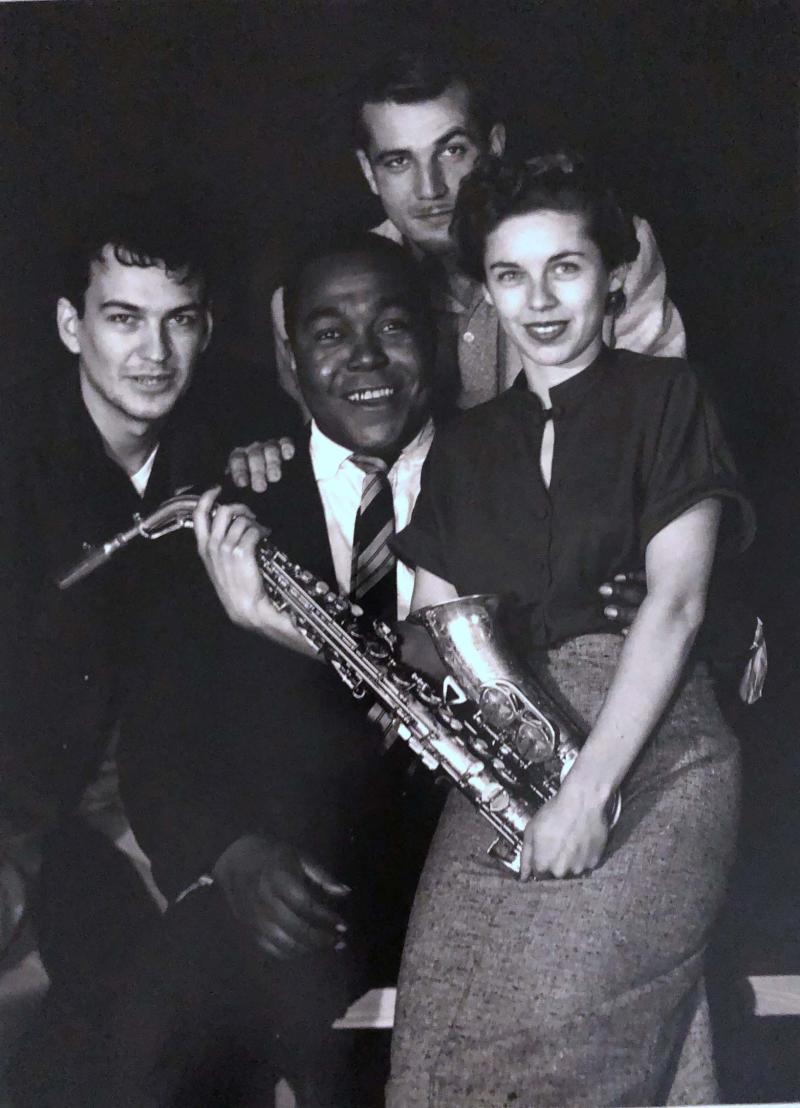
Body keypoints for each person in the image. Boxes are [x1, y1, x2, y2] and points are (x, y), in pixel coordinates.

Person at [380, 153, 755, 1107]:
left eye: (567, 268)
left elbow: (675, 606)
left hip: (654, 756)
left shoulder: (669, 400)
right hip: (503, 763)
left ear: (614, 276)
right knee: (431, 1059)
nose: (539, 300)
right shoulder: (463, 447)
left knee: (547, 1060)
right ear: (486, 288)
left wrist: (587, 797)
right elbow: (426, 633)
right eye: (510, 274)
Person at [109, 232, 443, 1107]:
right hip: (287, 899)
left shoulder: (513, 477)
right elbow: (157, 747)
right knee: (161, 1043)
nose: (366, 358)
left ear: (436, 339)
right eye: (330, 334)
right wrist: (232, 855)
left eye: (394, 325)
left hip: (469, 884)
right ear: (290, 365)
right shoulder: (229, 512)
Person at [0, 192, 233, 1104]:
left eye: (179, 323)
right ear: (71, 325)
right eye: (124, 319)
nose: (155, 353)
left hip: (153, 821)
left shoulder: (229, 436)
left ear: (207, 329)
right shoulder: (12, 455)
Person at [265, 44, 685, 432]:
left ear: (495, 146)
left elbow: (655, 427)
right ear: (368, 172)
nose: (430, 189)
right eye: (398, 161)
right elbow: (340, 463)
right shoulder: (320, 298)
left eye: (452, 151)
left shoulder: (605, 250)